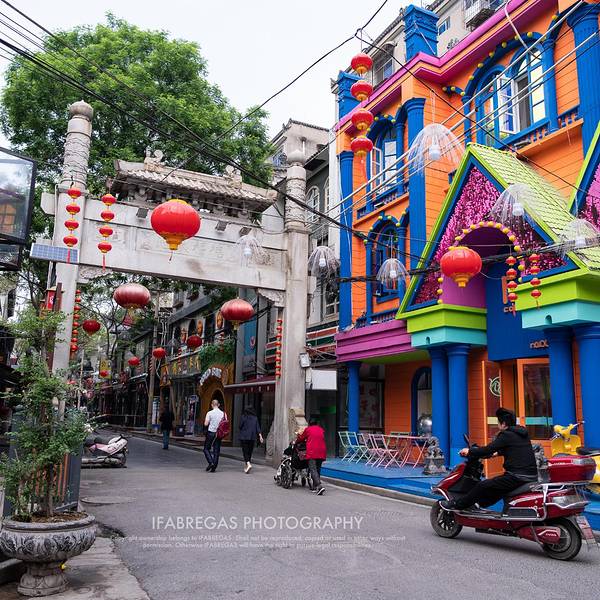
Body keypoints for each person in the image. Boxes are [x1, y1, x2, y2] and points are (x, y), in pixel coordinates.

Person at [441, 407, 538, 511]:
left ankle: (457, 504)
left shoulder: (506, 435)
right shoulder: (522, 434)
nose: (498, 425)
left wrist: (469, 451)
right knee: (497, 490)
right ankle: (478, 505)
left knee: (483, 485)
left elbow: (488, 449)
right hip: (530, 475)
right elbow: (514, 448)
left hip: (516, 476)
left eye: (498, 422)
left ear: (503, 424)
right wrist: (497, 453)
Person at [296, 417, 327, 496]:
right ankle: (314, 486)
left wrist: (298, 437)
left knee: (313, 469)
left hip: (312, 452)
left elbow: (301, 438)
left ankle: (319, 486)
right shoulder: (321, 429)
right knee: (317, 469)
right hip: (321, 451)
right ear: (316, 423)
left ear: (309, 423)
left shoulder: (308, 430)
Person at [238, 406, 263, 473]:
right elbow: (258, 428)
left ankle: (248, 464)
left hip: (244, 437)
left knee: (245, 451)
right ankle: (247, 465)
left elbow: (240, 426)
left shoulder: (243, 417)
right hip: (252, 437)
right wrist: (260, 436)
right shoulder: (255, 418)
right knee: (249, 451)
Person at [203, 398, 224, 472]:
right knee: (216, 450)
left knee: (206, 448)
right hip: (219, 433)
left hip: (211, 432)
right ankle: (214, 467)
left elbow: (206, 424)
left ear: (212, 405)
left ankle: (211, 462)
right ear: (218, 405)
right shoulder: (223, 413)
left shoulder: (209, 413)